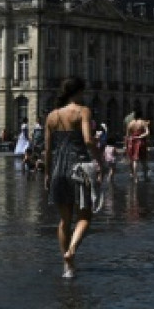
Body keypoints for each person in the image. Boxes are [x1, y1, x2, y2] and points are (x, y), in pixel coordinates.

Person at [44, 77, 105, 279]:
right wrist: (99, 161)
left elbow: (47, 150)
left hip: (58, 170)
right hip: (79, 166)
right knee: (85, 216)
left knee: (64, 220)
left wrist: (46, 173)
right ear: (78, 92)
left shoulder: (51, 117)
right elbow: (88, 140)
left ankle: (67, 268)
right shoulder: (82, 111)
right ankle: (71, 252)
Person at [126, 112, 151, 179]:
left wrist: (126, 145)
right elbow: (147, 133)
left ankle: (135, 177)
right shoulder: (143, 122)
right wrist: (140, 136)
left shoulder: (130, 123)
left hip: (132, 141)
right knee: (144, 160)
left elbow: (127, 135)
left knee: (134, 160)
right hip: (141, 141)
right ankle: (146, 176)